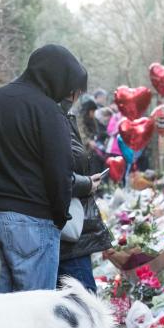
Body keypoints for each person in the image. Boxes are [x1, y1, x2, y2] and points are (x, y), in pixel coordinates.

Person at [0, 44, 87, 292]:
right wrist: (60, 217)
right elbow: (60, 173)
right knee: (35, 317)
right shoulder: (48, 111)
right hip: (32, 222)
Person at [58, 104, 111, 294]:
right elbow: (58, 174)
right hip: (65, 230)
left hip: (63, 231)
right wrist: (86, 184)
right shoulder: (52, 116)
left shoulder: (61, 116)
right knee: (82, 301)